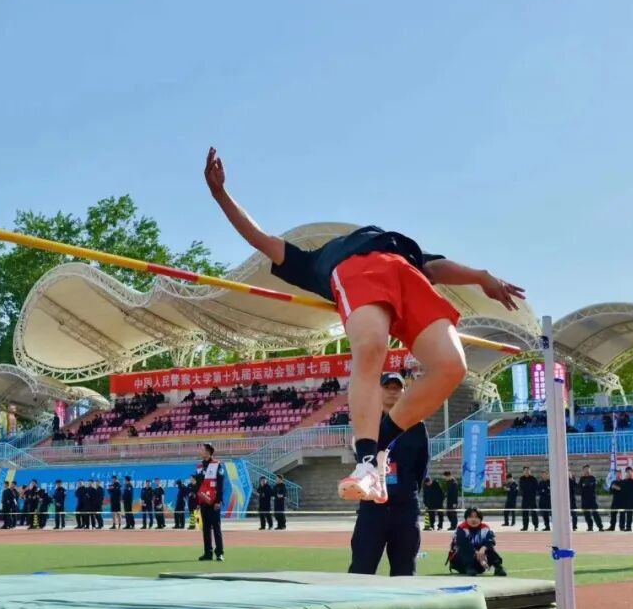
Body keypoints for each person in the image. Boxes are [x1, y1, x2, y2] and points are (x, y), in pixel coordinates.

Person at [205, 147, 523, 503]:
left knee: (452, 366)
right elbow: (260, 238)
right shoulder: (312, 263)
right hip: (356, 274)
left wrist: (481, 276)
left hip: (407, 272)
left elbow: (435, 267)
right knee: (372, 347)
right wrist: (221, 195)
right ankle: (367, 461)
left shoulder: (401, 247)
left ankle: (380, 445)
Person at [348, 373, 429, 576]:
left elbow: (422, 465)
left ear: (404, 392)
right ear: (378, 391)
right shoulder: (367, 425)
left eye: (397, 388)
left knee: (405, 570)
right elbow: (361, 459)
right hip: (373, 508)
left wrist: (407, 492)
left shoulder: (416, 425)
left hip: (404, 508)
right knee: (361, 569)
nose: (392, 392)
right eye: (387, 387)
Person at [448, 507, 507, 577]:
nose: (473, 519)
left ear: (480, 519)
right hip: (460, 562)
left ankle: (498, 567)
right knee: (463, 549)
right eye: (470, 517)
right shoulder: (461, 529)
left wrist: (483, 548)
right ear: (466, 518)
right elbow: (463, 544)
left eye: (476, 517)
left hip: (479, 560)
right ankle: (469, 567)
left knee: (489, 548)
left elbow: (491, 540)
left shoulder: (485, 528)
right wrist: (476, 552)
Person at [196, 443, 225, 562]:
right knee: (206, 529)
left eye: (202, 449)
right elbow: (198, 486)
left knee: (216, 528)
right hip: (203, 502)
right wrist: (198, 502)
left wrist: (218, 501)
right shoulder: (199, 466)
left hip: (214, 502)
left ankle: (219, 553)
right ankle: (208, 553)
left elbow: (221, 484)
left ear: (208, 451)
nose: (200, 451)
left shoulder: (217, 464)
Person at [578, 465, 604, 532]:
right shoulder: (581, 479)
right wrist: (586, 485)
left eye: (588, 469)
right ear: (583, 471)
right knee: (586, 514)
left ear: (590, 470)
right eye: (585, 469)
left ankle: (600, 527)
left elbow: (592, 486)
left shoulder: (593, 478)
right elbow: (579, 488)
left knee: (595, 513)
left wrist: (585, 485)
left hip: (592, 499)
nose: (587, 471)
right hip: (584, 499)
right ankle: (590, 527)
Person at [519, 467, 539, 531]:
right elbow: (521, 488)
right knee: (525, 513)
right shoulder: (521, 479)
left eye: (527, 470)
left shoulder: (533, 478)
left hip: (532, 498)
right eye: (525, 470)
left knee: (534, 513)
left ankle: (536, 526)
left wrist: (533, 492)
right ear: (523, 472)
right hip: (525, 498)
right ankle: (525, 527)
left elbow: (536, 487)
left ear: (530, 471)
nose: (526, 472)